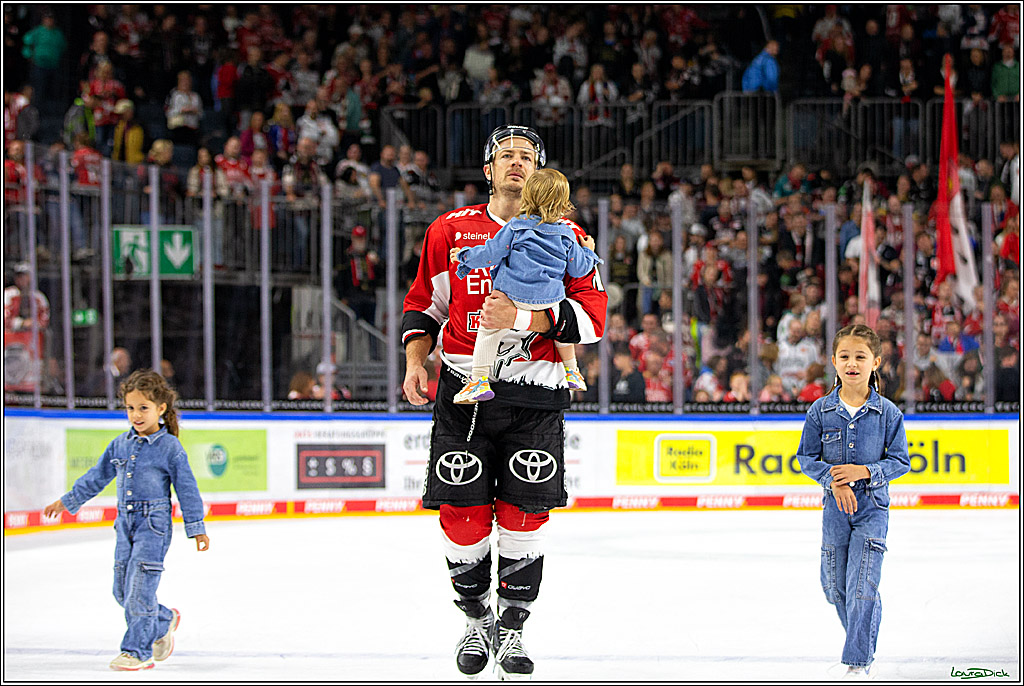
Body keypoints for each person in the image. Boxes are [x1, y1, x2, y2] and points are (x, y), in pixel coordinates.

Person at [401, 124, 607, 679]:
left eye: (527, 157)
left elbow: (593, 320)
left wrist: (522, 317)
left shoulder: (571, 235)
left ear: (539, 172)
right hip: (464, 391)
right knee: (462, 516)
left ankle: (513, 626)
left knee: (525, 513)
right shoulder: (450, 230)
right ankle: (476, 620)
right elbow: (426, 304)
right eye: (506, 156)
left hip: (536, 395)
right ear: (488, 169)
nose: (516, 163)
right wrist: (415, 361)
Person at [42, 370, 209, 671]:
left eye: (143, 408)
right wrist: (68, 501)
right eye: (131, 408)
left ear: (161, 408)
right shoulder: (120, 445)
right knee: (122, 591)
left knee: (140, 590)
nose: (136, 415)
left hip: (153, 526)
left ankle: (137, 651)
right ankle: (163, 620)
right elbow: (96, 477)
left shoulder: (170, 447)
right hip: (125, 525)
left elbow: (187, 489)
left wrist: (196, 528)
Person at [795, 324, 910, 679]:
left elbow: (900, 461)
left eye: (860, 356)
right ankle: (863, 634)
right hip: (835, 509)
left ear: (875, 362)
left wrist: (864, 472)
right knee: (835, 586)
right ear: (833, 361)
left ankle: (858, 661)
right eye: (845, 356)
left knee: (862, 585)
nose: (852, 363)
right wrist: (833, 480)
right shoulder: (820, 411)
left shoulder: (888, 413)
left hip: (872, 508)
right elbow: (806, 458)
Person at [449, 167, 601, 403]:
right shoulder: (567, 234)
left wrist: (464, 256)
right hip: (550, 300)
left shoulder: (516, 226)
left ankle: (478, 380)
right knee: (560, 331)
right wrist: (589, 251)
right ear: (563, 201)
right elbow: (578, 270)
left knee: (489, 330)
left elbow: (490, 254)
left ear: (527, 195)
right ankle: (572, 371)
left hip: (513, 297)